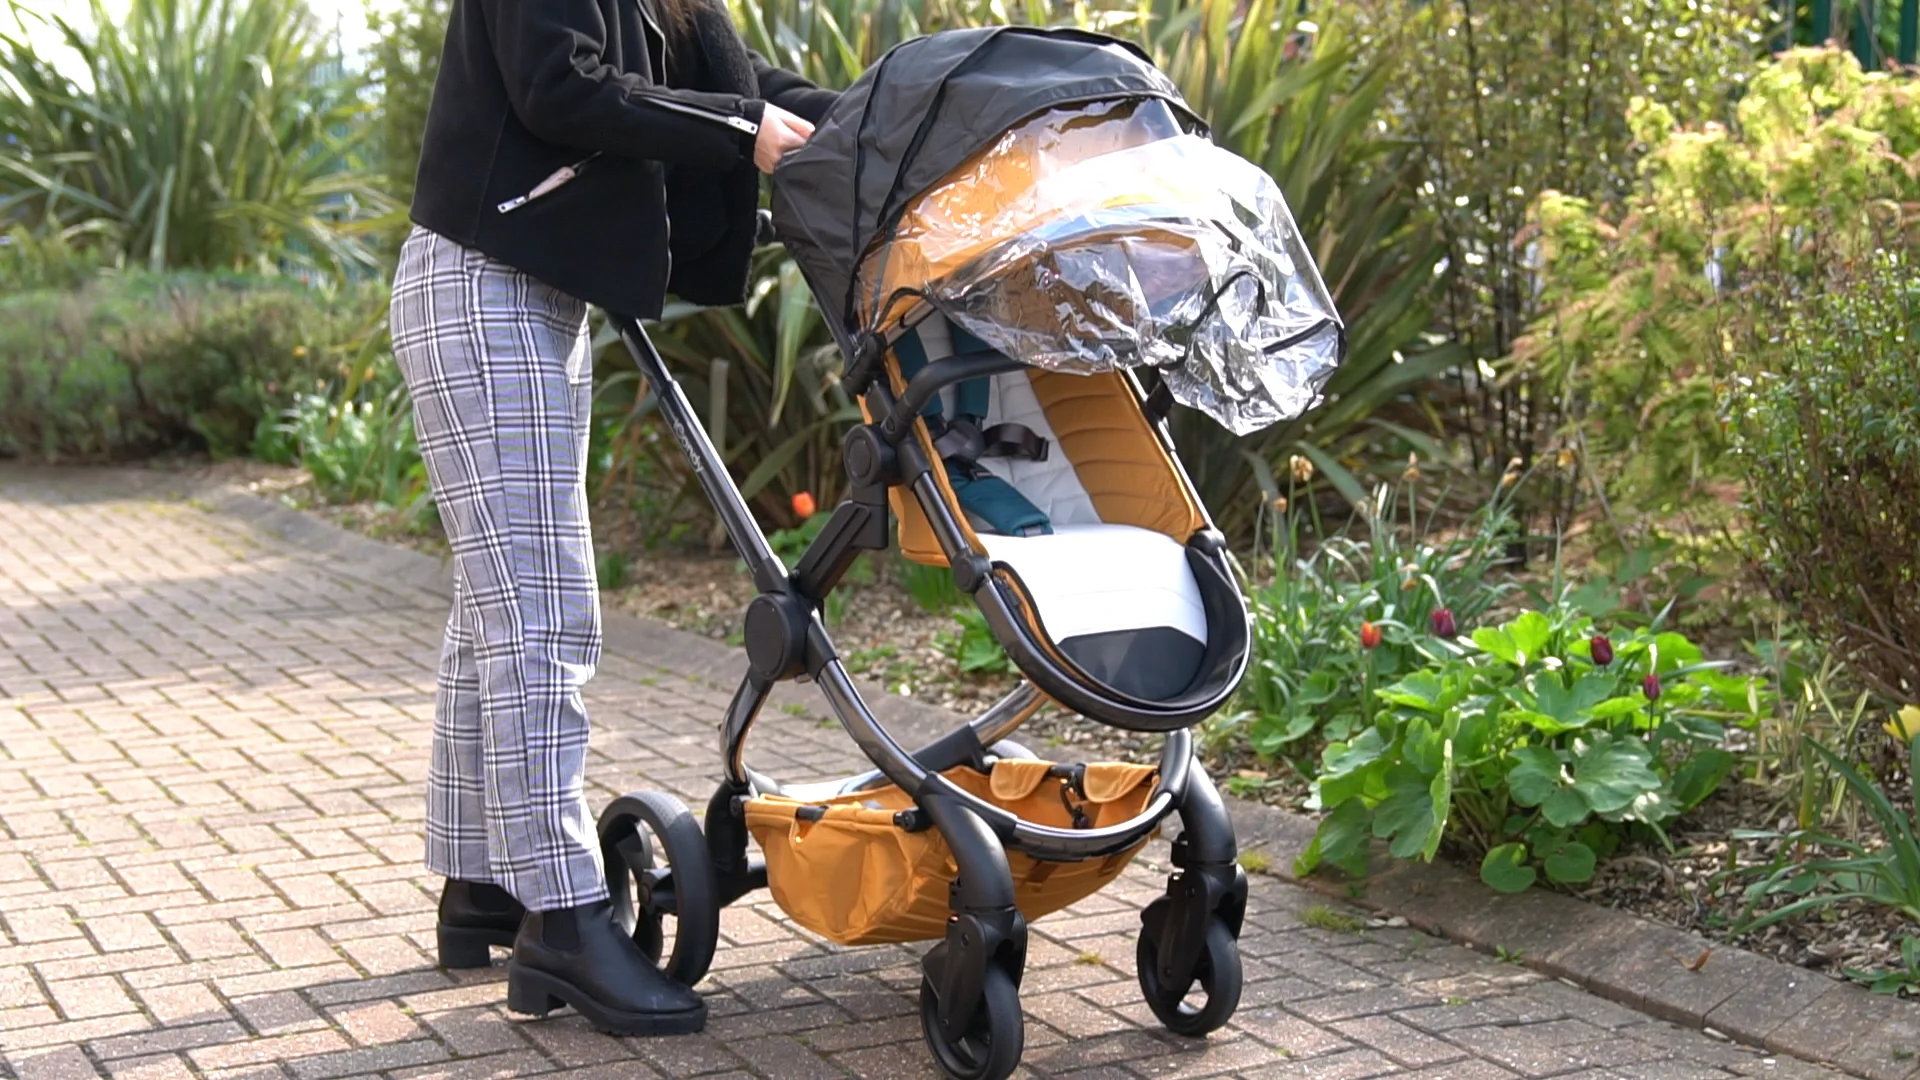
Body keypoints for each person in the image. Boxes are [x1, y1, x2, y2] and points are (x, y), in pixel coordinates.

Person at [387, 0, 835, 1037]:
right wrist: (739, 136)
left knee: (498, 605)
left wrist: (874, 123)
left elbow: (742, 81)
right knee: (542, 613)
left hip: (530, 294)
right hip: (485, 290)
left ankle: (483, 883)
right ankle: (562, 915)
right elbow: (566, 83)